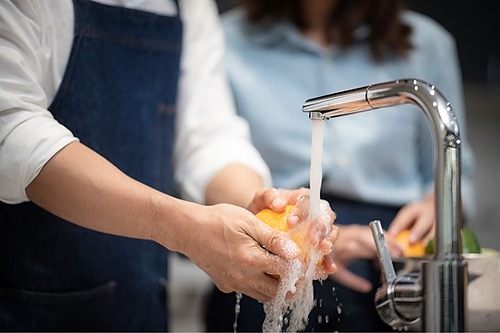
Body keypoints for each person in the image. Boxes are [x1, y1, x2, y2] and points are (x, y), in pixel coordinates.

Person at [0, 0, 339, 331]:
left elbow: (206, 136)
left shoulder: (189, 6)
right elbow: (12, 129)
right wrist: (177, 226)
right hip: (26, 298)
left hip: (140, 298)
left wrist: (265, 209)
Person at [204, 0, 476, 331]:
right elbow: (211, 154)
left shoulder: (428, 45)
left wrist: (440, 206)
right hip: (279, 233)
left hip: (392, 249)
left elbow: (457, 172)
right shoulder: (226, 39)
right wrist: (313, 236)